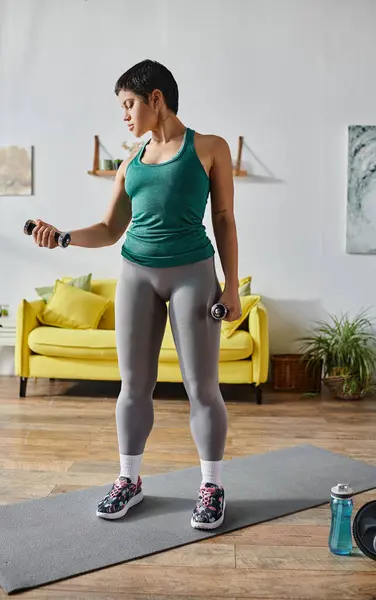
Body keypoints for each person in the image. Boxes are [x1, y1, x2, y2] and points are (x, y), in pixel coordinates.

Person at [32, 59, 241, 530]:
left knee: (201, 388)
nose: (125, 116)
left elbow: (225, 219)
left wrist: (231, 285)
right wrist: (61, 236)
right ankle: (129, 480)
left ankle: (212, 486)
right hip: (136, 274)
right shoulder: (131, 161)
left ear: (156, 99)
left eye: (129, 105)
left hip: (192, 272)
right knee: (132, 387)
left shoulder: (210, 148)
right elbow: (109, 229)